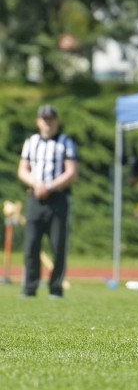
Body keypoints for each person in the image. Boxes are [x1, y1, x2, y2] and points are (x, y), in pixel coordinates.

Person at [17, 104, 78, 298]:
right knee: (31, 244)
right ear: (38, 121)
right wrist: (36, 184)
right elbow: (22, 170)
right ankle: (29, 287)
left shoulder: (65, 142)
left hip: (58, 198)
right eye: (44, 119)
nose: (47, 123)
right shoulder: (31, 142)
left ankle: (56, 288)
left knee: (58, 244)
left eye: (50, 119)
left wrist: (49, 186)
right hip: (35, 197)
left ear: (56, 121)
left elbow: (71, 171)